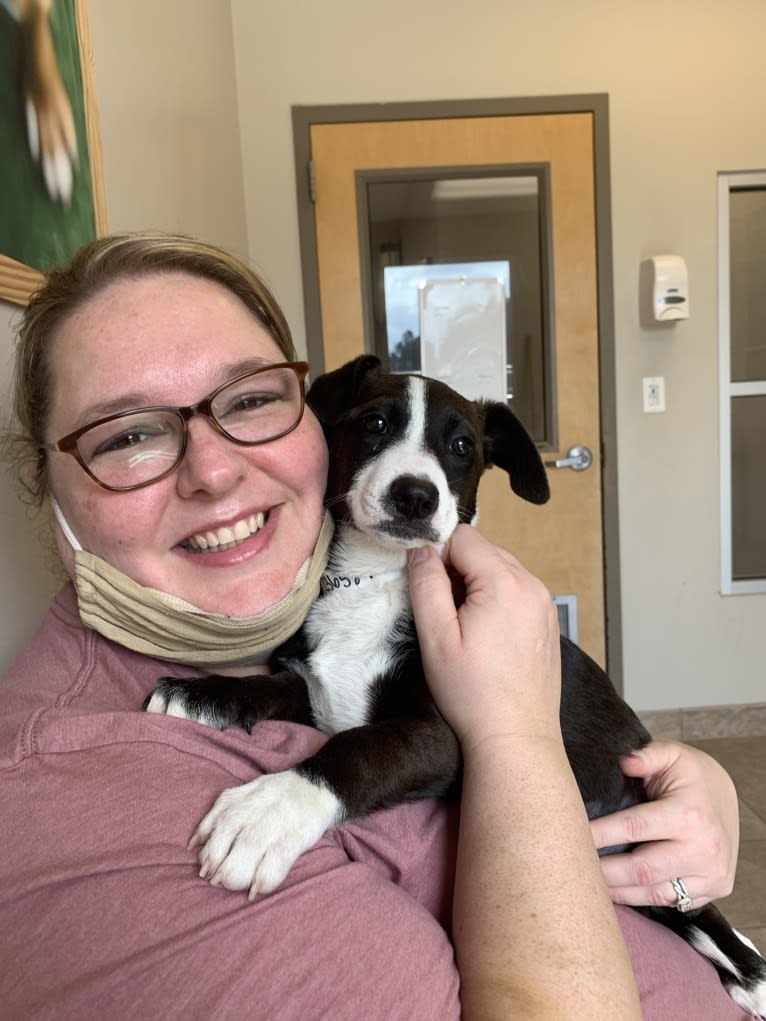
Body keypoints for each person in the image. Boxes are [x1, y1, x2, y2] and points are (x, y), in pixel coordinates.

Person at [0, 232, 753, 1020]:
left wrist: (700, 800)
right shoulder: (78, 821)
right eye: (128, 435)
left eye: (251, 400)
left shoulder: (297, 619)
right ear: (42, 482)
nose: (215, 470)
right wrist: (512, 740)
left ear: (306, 421)